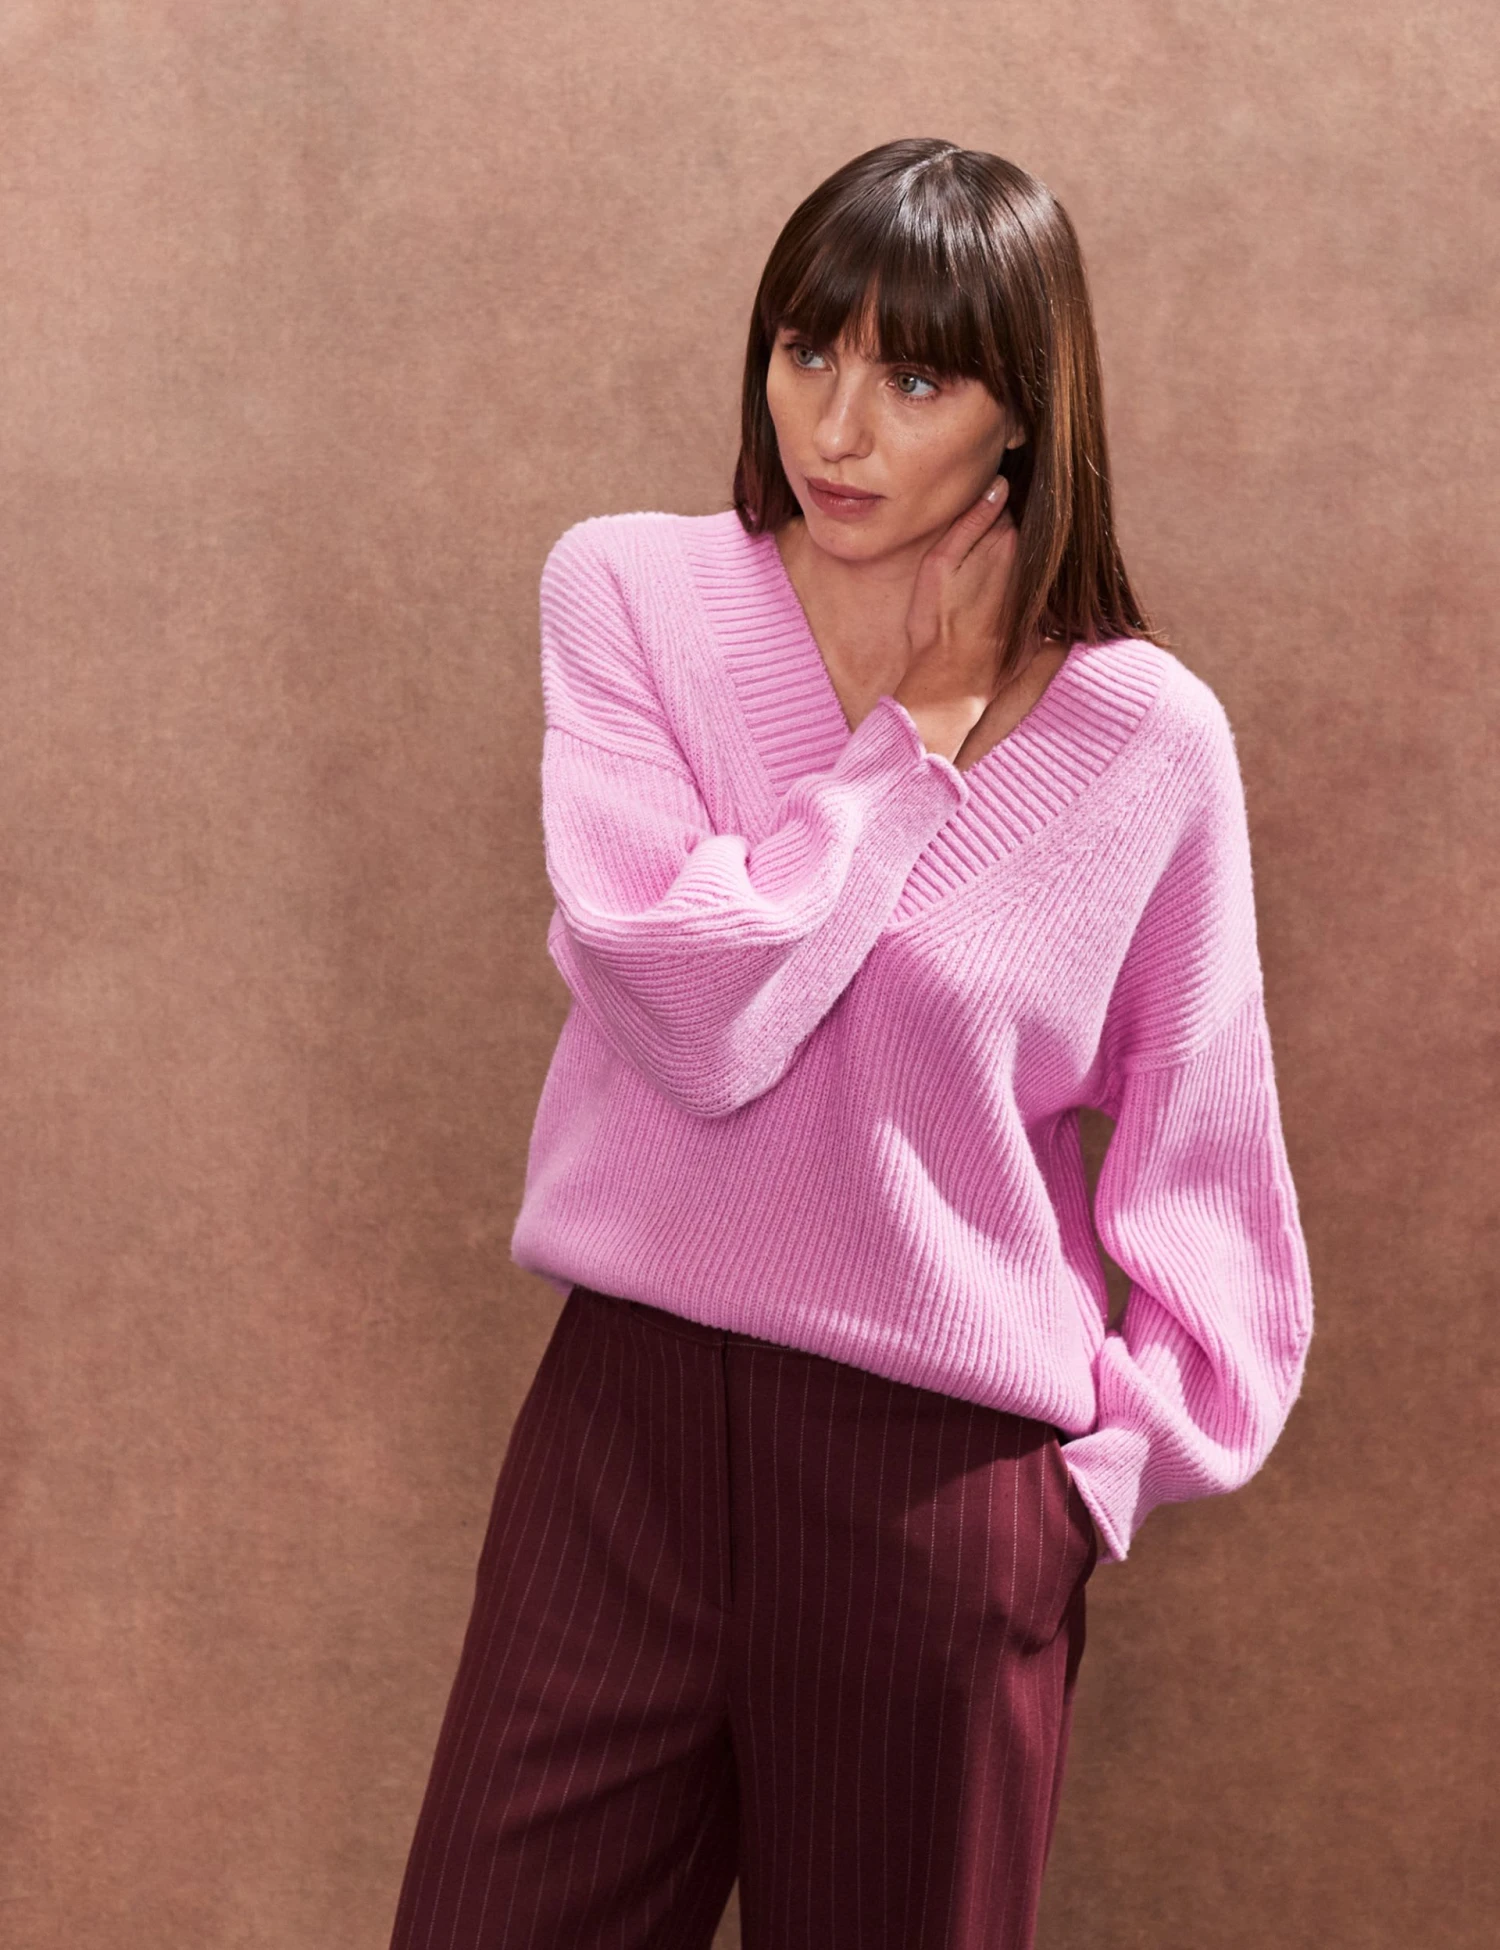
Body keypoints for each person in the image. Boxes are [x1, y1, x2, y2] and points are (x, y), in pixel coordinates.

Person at [387, 137, 1315, 1950]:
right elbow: (689, 1006)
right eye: (808, 350)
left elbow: (1210, 1168)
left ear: (1024, 414)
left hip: (938, 1495)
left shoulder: (1146, 740)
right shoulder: (631, 595)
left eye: (915, 379)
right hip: (622, 1442)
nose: (837, 425)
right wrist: (921, 732)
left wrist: (1088, 1487)